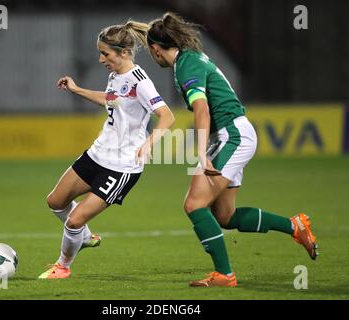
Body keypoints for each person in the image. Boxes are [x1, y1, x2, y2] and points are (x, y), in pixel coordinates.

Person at [145, 12, 319, 287]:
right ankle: (294, 225)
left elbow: (202, 108)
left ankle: (225, 275)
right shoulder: (191, 58)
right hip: (232, 134)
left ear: (155, 49)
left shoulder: (186, 64)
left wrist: (201, 153)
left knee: (194, 204)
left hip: (232, 135)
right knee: (225, 216)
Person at [38, 21, 175, 279]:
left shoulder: (140, 81)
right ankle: (86, 238)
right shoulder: (115, 76)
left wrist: (149, 143)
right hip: (97, 154)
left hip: (122, 166)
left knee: (74, 221)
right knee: (55, 201)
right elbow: (111, 99)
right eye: (100, 53)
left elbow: (166, 116)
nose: (101, 59)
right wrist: (77, 89)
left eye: (106, 54)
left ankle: (63, 267)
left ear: (123, 52)